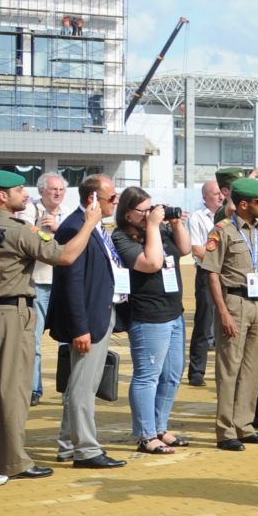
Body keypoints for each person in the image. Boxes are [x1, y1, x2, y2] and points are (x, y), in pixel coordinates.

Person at [0, 171, 98, 480]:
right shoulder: (19, 231)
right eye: (17, 190)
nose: (24, 195)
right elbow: (65, 256)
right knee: (13, 390)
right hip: (12, 315)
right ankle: (15, 461)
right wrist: (90, 223)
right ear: (2, 196)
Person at [48, 174, 129, 471]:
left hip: (101, 311)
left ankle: (68, 445)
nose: (116, 202)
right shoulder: (74, 227)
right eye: (111, 198)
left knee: (81, 384)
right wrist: (79, 327)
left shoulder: (94, 227)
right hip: (87, 320)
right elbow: (72, 283)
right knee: (83, 387)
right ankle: (86, 449)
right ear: (92, 199)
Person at [200, 178, 258, 452]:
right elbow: (212, 273)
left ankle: (245, 425)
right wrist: (222, 312)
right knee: (229, 368)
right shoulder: (222, 231)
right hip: (234, 301)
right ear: (243, 204)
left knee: (254, 367)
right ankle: (225, 430)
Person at [111, 186, 192, 455]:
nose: (148, 214)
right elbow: (152, 263)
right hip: (148, 315)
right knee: (148, 376)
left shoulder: (160, 230)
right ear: (127, 212)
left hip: (173, 311)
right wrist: (155, 226)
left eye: (151, 208)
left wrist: (176, 222)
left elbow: (185, 248)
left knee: (172, 374)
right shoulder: (122, 236)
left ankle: (160, 427)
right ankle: (146, 435)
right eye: (142, 210)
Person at [26, 171, 70, 404]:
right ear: (41, 191)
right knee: (34, 339)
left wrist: (57, 230)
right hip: (38, 282)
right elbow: (26, 238)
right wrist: (49, 232)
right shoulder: (30, 211)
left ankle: (67, 388)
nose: (57, 193)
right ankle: (34, 388)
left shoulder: (67, 215)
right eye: (53, 189)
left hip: (62, 283)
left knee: (67, 340)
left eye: (61, 190)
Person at [185, 179, 226, 388]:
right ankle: (196, 371)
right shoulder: (197, 218)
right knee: (204, 321)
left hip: (227, 274)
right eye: (215, 193)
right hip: (207, 272)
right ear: (205, 197)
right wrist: (221, 259)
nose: (220, 196)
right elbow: (196, 248)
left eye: (221, 193)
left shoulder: (229, 217)